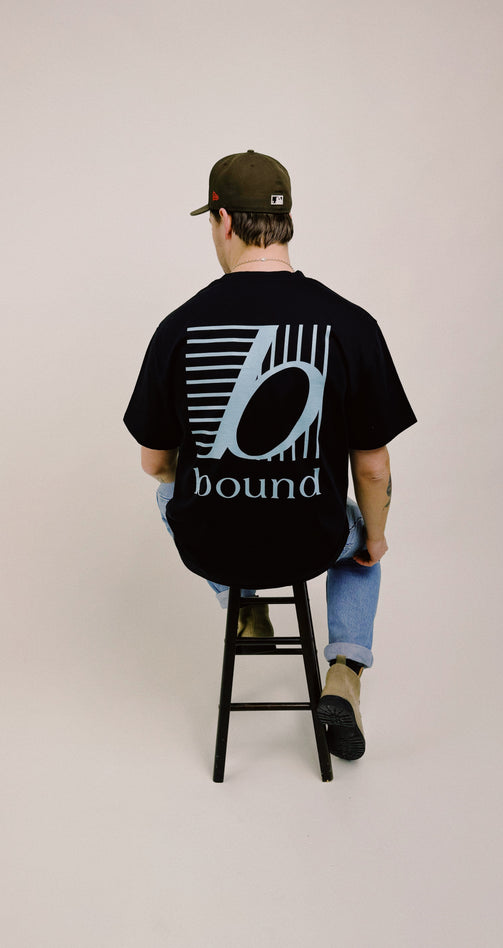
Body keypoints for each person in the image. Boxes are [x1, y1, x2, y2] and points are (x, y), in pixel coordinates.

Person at [124, 149, 416, 761]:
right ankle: (344, 671)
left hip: (213, 545)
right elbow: (372, 467)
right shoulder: (350, 324)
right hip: (312, 541)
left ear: (224, 220)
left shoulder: (178, 327)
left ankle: (245, 604)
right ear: (285, 223)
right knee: (365, 538)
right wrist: (376, 538)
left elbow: (155, 465)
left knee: (169, 492)